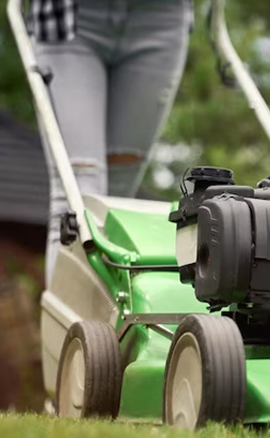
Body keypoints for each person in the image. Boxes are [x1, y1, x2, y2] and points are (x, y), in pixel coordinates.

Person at [28, 0, 194, 285]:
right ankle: (70, 325)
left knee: (116, 204)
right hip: (69, 18)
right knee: (77, 200)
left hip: (161, 19)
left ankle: (112, 322)